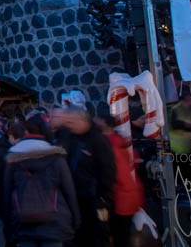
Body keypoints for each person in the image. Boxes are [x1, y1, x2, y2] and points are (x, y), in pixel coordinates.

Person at [3, 115, 79, 247]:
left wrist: (7, 222)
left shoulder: (13, 160)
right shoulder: (57, 158)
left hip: (23, 220)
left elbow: (6, 193)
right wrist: (75, 217)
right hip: (54, 221)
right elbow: (69, 191)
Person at [50, 97, 115, 246]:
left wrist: (101, 195)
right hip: (75, 197)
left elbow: (107, 170)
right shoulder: (69, 137)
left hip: (94, 199)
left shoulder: (98, 140)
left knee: (97, 236)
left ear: (82, 120)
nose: (69, 125)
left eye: (71, 122)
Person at [103, 117, 145, 247]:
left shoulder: (110, 146)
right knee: (123, 235)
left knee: (119, 236)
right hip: (131, 196)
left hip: (120, 197)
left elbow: (119, 174)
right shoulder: (124, 145)